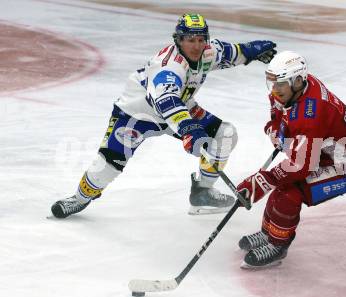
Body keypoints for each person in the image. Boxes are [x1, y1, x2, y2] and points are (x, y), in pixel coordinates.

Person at [51, 13, 277, 218]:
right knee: (108, 164)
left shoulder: (208, 52)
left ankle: (203, 192)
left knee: (225, 134)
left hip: (181, 109)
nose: (196, 46)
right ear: (178, 40)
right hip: (137, 115)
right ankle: (80, 198)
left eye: (200, 39)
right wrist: (189, 128)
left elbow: (230, 53)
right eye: (190, 39)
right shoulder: (168, 66)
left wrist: (252, 51)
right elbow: (166, 102)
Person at [236, 51, 346, 269]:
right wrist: (276, 127)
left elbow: (300, 166)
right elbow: (279, 111)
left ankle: (277, 245)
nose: (275, 89)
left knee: (288, 191)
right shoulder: (296, 89)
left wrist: (263, 181)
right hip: (325, 150)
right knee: (283, 184)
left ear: (298, 81)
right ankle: (268, 232)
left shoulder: (311, 113)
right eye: (272, 82)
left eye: (280, 84)